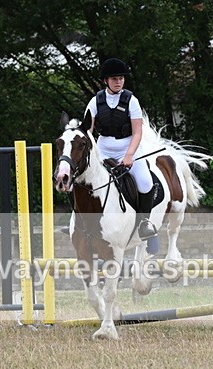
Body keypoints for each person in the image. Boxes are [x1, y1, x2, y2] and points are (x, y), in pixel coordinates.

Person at [85, 58, 158, 243]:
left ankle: (145, 223)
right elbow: (88, 131)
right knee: (82, 179)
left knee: (145, 181)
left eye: (121, 78)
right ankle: (77, 220)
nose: (118, 81)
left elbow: (138, 131)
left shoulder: (131, 100)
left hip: (128, 147)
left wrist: (129, 155)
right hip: (103, 148)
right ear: (105, 81)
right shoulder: (95, 102)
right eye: (114, 79)